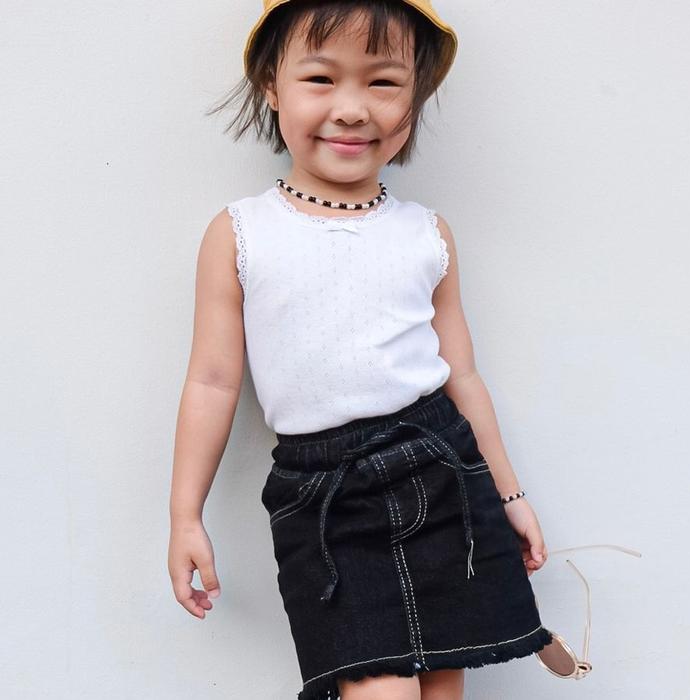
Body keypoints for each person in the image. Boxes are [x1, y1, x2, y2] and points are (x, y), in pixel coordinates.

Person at [168, 1, 553, 698]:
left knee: (443, 688)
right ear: (272, 86)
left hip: (440, 470)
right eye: (321, 78)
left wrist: (511, 494)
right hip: (326, 497)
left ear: (415, 96)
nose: (351, 109)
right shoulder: (240, 233)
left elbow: (462, 376)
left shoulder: (427, 234)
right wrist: (184, 515)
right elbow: (213, 382)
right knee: (377, 688)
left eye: (383, 82)